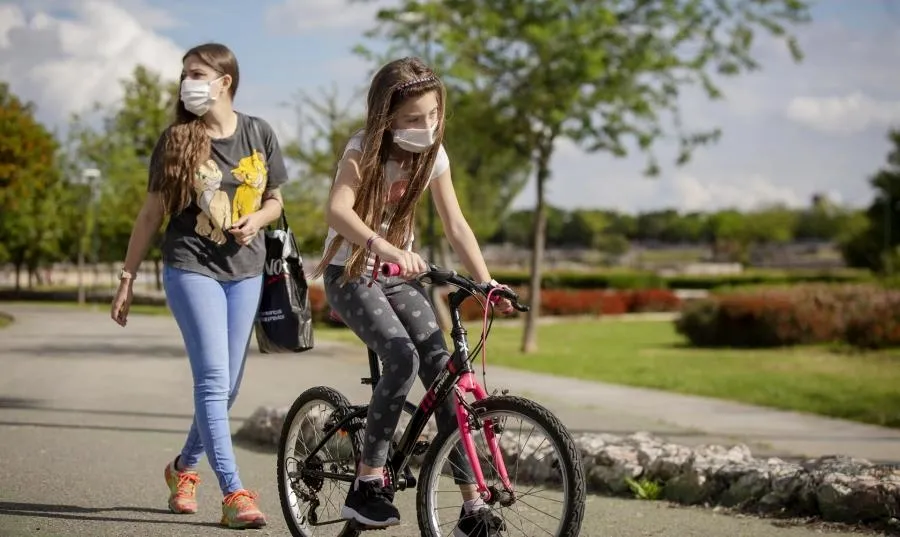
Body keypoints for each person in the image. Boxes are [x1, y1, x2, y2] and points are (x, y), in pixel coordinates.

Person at [312, 56, 512, 536]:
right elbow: (337, 210)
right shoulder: (362, 150)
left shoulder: (434, 156)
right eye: (413, 119)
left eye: (434, 115)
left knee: (443, 373)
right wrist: (381, 244)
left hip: (398, 274)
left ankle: (471, 509)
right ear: (386, 118)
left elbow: (456, 224)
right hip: (351, 271)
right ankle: (366, 483)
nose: (427, 126)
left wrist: (487, 283)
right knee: (400, 357)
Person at [109, 42, 288, 529]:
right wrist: (126, 279)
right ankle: (234, 494)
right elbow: (151, 214)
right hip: (191, 266)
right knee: (212, 380)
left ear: (224, 80)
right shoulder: (176, 140)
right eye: (185, 73)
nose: (187, 80)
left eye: (197, 72)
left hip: (247, 270)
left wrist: (257, 220)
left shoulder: (259, 132)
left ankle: (183, 469)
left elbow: (275, 200)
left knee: (227, 386)